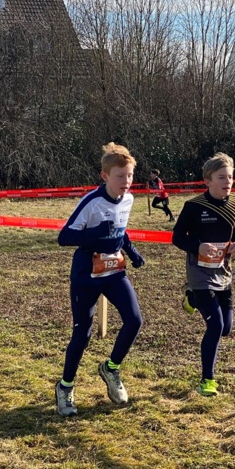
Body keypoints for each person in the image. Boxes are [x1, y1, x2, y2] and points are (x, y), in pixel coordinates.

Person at [56, 142, 145, 416]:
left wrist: (132, 251)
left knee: (134, 320)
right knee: (82, 334)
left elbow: (120, 230)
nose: (126, 181)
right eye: (120, 176)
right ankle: (65, 387)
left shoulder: (128, 199)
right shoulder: (92, 201)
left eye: (130, 176)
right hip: (86, 273)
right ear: (105, 176)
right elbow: (64, 237)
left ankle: (111, 368)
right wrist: (93, 234)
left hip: (114, 270)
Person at [172, 152, 235, 397]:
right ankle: (207, 380)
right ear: (208, 181)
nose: (228, 182)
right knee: (215, 326)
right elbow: (177, 238)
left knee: (226, 328)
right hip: (199, 272)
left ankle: (191, 298)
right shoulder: (194, 206)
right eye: (221, 177)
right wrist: (198, 246)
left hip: (223, 272)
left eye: (230, 177)